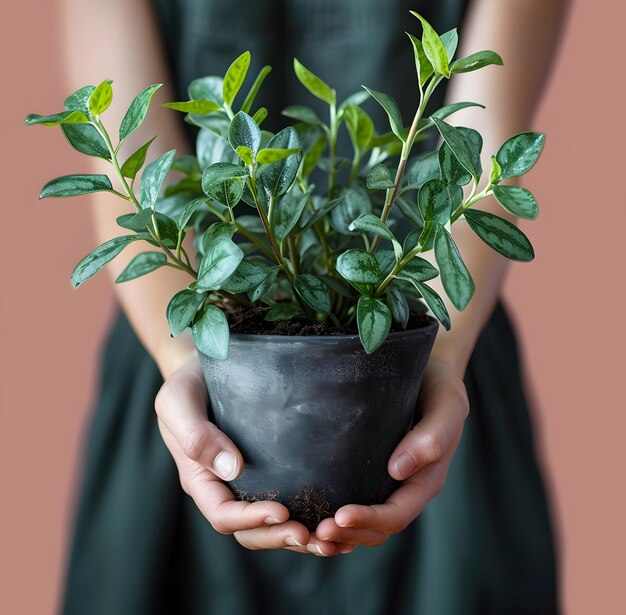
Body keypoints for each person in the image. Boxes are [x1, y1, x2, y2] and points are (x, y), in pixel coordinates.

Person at [59, 1, 569, 613]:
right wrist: (185, 361)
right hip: (193, 359)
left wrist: (441, 356)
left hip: (424, 355)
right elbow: (122, 131)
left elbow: (491, 133)